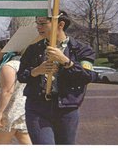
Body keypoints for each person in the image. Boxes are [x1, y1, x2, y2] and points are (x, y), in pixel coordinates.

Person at [17, 11, 96, 145]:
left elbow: (87, 77)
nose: (38, 27)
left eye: (42, 23)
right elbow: (21, 76)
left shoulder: (81, 49)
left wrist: (66, 62)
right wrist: (36, 71)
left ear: (60, 24)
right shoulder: (33, 49)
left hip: (67, 109)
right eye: (37, 23)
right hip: (37, 108)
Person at [0, 39, 31, 144]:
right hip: (23, 110)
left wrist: (0, 113)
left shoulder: (9, 66)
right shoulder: (24, 64)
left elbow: (8, 91)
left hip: (9, 111)